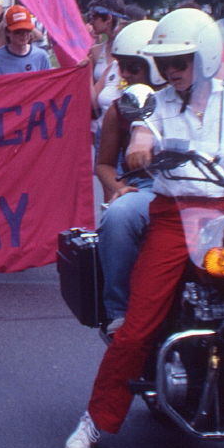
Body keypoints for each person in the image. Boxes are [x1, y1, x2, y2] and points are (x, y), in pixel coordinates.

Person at [65, 7, 224, 448]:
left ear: (205, 56)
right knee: (138, 325)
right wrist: (141, 145)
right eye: (165, 62)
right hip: (176, 215)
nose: (170, 70)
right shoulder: (158, 104)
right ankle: (96, 417)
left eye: (180, 60)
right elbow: (141, 136)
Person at [92, 20, 162, 331]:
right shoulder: (119, 109)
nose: (125, 75)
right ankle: (120, 311)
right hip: (146, 187)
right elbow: (104, 164)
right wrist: (119, 188)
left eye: (134, 67)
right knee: (119, 216)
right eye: (122, 66)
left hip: (201, 186)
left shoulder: (189, 98)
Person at [0, 5, 52, 76]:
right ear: (7, 32)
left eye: (27, 30)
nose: (24, 34)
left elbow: (49, 84)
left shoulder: (41, 56)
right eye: (18, 31)